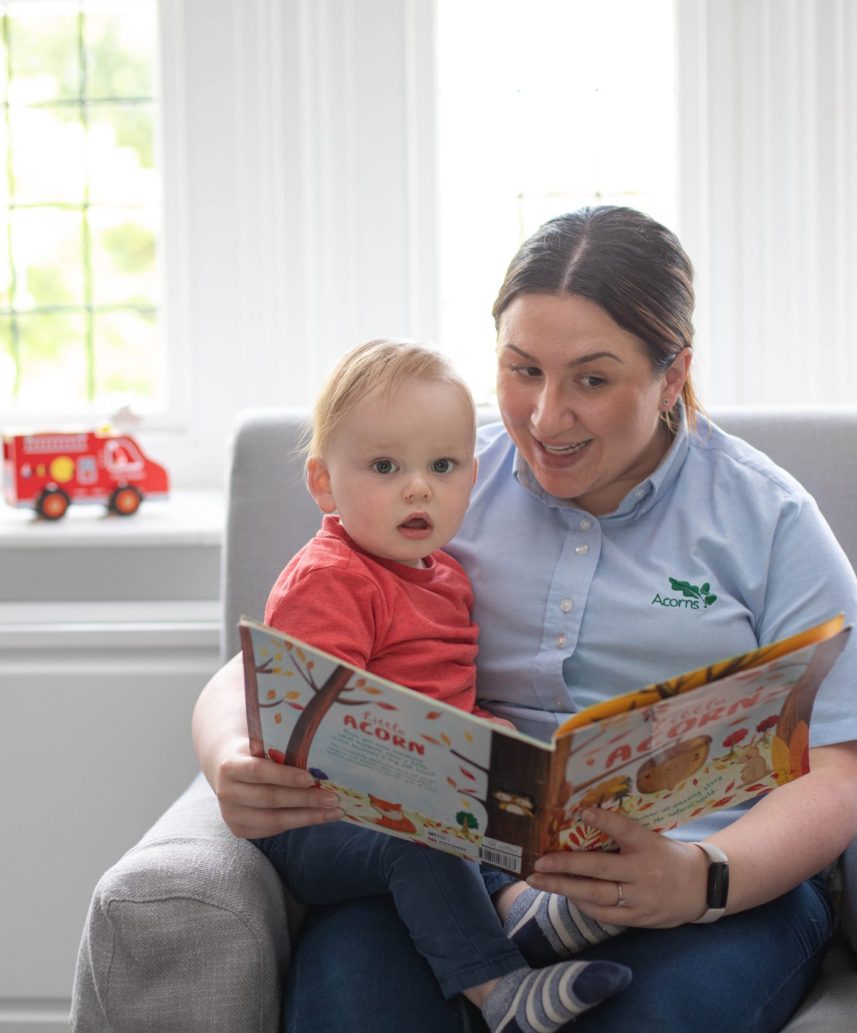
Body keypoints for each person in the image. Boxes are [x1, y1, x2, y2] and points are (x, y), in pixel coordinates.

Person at [193, 206, 857, 1033]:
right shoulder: (438, 480)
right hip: (448, 869)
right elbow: (279, 658)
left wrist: (701, 875)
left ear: (673, 376)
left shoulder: (768, 518)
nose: (545, 416)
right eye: (523, 370)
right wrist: (229, 755)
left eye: (591, 380)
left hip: (705, 883)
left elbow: (836, 769)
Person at [249, 339, 633, 1033]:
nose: (418, 486)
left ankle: (523, 906)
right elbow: (315, 727)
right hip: (317, 822)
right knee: (425, 834)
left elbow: (446, 700)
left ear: (471, 477)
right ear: (324, 483)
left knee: (505, 807)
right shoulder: (331, 578)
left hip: (416, 803)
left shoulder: (444, 575)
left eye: (443, 466)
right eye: (386, 466)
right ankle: (501, 989)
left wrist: (493, 741)